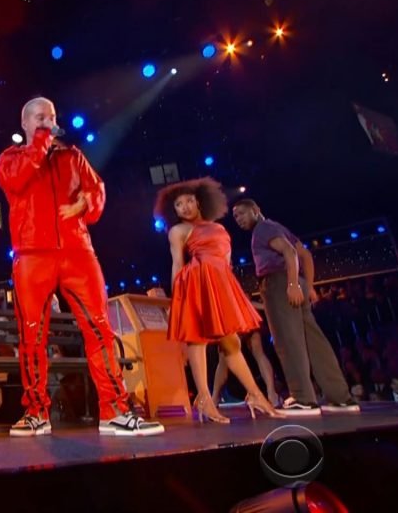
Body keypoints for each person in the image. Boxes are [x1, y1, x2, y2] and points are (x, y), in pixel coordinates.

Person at [0, 96, 163, 436]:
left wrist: (86, 203)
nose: (46, 121)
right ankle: (36, 412)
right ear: (24, 123)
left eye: (51, 116)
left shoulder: (72, 156)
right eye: (39, 117)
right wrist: (41, 141)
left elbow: (97, 190)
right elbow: (16, 179)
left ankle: (114, 410)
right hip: (31, 253)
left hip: (76, 250)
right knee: (32, 334)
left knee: (99, 329)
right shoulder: (11, 158)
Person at [154, 178, 282, 423]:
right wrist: (175, 301)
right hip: (196, 283)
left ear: (199, 201)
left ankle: (255, 395)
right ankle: (204, 397)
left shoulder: (219, 229)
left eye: (189, 201)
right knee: (197, 340)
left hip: (221, 285)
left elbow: (226, 263)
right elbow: (177, 265)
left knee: (231, 343)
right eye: (179, 204)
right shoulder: (178, 231)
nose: (185, 207)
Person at [231, 198, 361, 415]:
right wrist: (307, 286)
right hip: (293, 281)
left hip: (278, 283)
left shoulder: (263, 229)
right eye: (235, 217)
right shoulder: (277, 226)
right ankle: (340, 397)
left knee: (287, 340)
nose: (238, 219)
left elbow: (290, 252)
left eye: (241, 213)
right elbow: (305, 254)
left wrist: (292, 284)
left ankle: (303, 398)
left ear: (255, 210)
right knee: (314, 341)